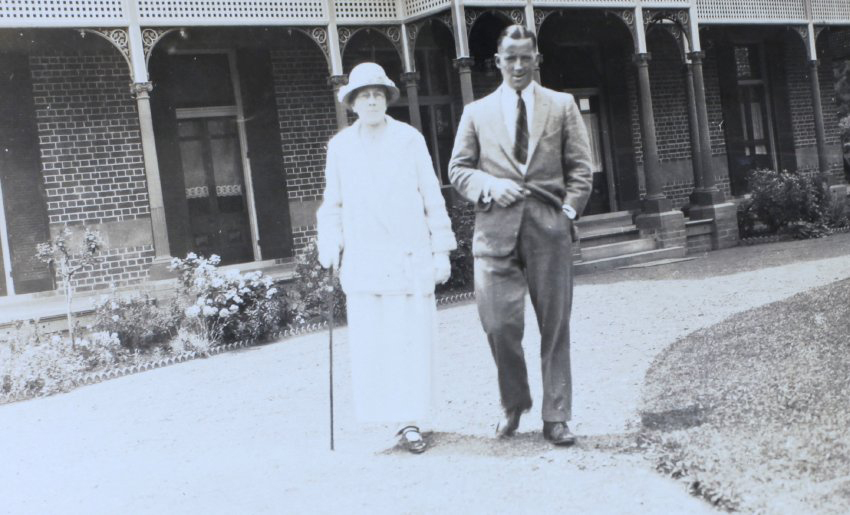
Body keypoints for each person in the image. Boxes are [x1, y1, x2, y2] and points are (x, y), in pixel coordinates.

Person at [448, 25, 593, 446]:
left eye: (525, 57)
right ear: (497, 61)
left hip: (549, 231)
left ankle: (556, 416)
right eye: (510, 58)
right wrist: (490, 186)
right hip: (495, 233)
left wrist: (568, 212)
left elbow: (581, 168)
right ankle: (514, 402)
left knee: (555, 327)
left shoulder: (562, 105)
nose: (517, 65)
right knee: (498, 325)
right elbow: (458, 169)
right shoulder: (476, 112)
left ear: (536, 59)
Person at [316, 62, 457, 454]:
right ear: (352, 103)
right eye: (364, 95)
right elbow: (333, 203)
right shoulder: (341, 147)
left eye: (378, 94)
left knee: (408, 342)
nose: (372, 101)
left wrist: (441, 251)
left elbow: (432, 196)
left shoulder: (409, 139)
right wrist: (330, 243)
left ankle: (410, 420)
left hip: (407, 258)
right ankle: (392, 416)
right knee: (376, 344)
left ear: (386, 99)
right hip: (366, 262)